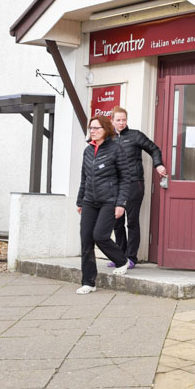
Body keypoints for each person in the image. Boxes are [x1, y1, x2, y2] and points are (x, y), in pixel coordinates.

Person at [75, 114, 131, 294]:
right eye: (91, 128)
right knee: (86, 240)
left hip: (110, 200)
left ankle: (122, 260)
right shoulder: (88, 151)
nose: (92, 131)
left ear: (105, 129)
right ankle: (88, 282)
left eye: (96, 128)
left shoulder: (116, 149)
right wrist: (80, 200)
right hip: (89, 201)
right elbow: (84, 178)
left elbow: (125, 178)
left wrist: (121, 203)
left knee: (100, 235)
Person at [108, 106, 168, 268]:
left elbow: (154, 148)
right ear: (112, 121)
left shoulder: (135, 136)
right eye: (118, 120)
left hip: (134, 184)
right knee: (116, 221)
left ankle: (131, 257)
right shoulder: (109, 138)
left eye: (124, 120)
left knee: (132, 221)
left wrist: (158, 165)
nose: (121, 123)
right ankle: (120, 257)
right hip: (115, 187)